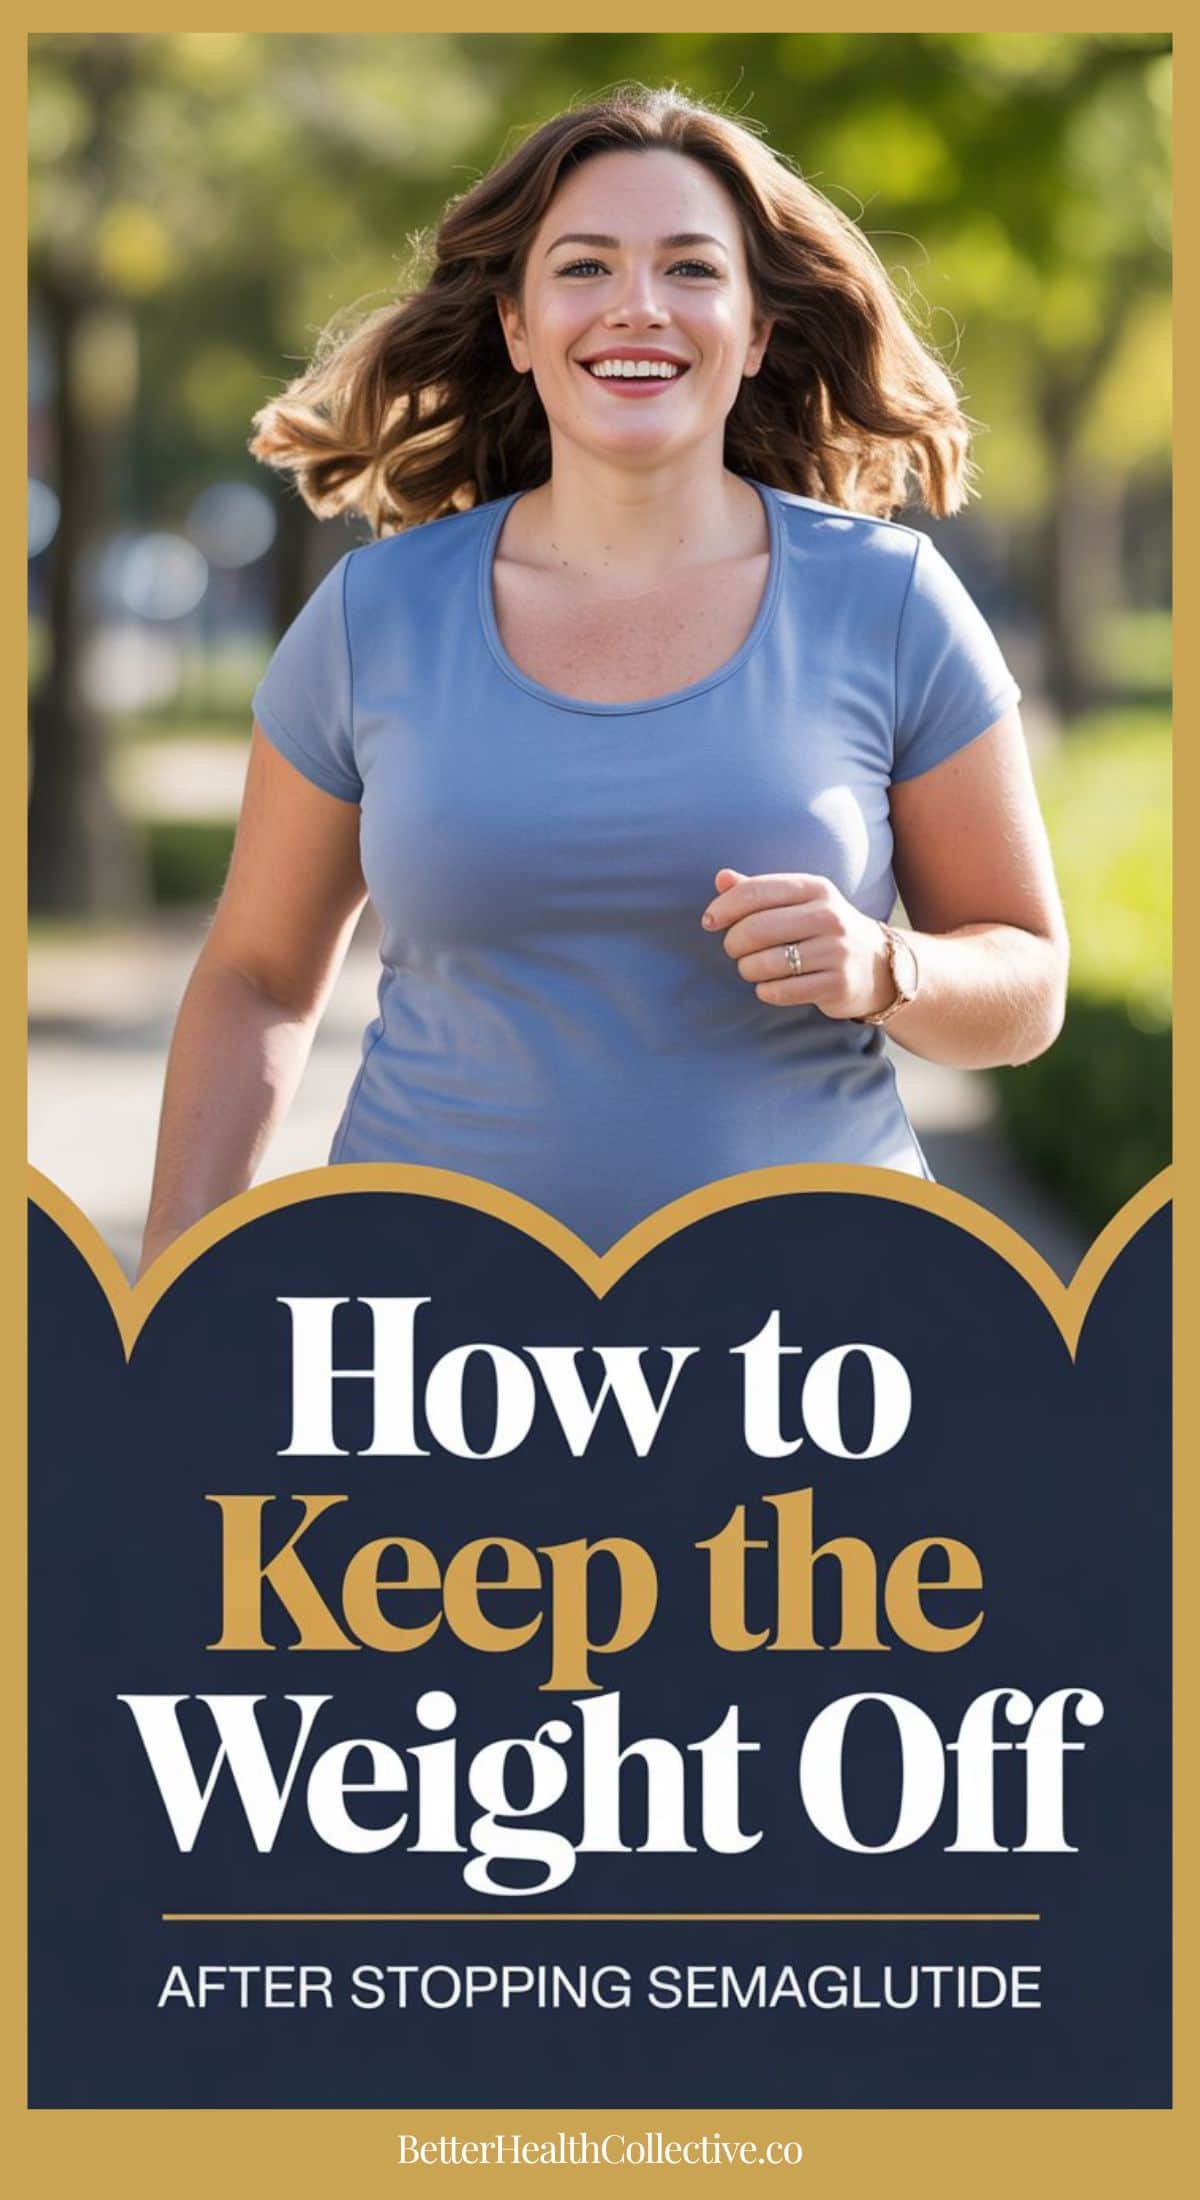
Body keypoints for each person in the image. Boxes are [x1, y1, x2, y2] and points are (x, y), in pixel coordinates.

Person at [137, 86, 1068, 1277]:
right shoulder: (378, 617)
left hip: (813, 1344)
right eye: (584, 267)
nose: (638, 306)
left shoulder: (889, 603)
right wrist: (171, 1277)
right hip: (424, 1338)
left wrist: (890, 967)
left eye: (690, 269)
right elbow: (258, 975)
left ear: (758, 329)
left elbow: (1026, 977)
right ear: (519, 326)